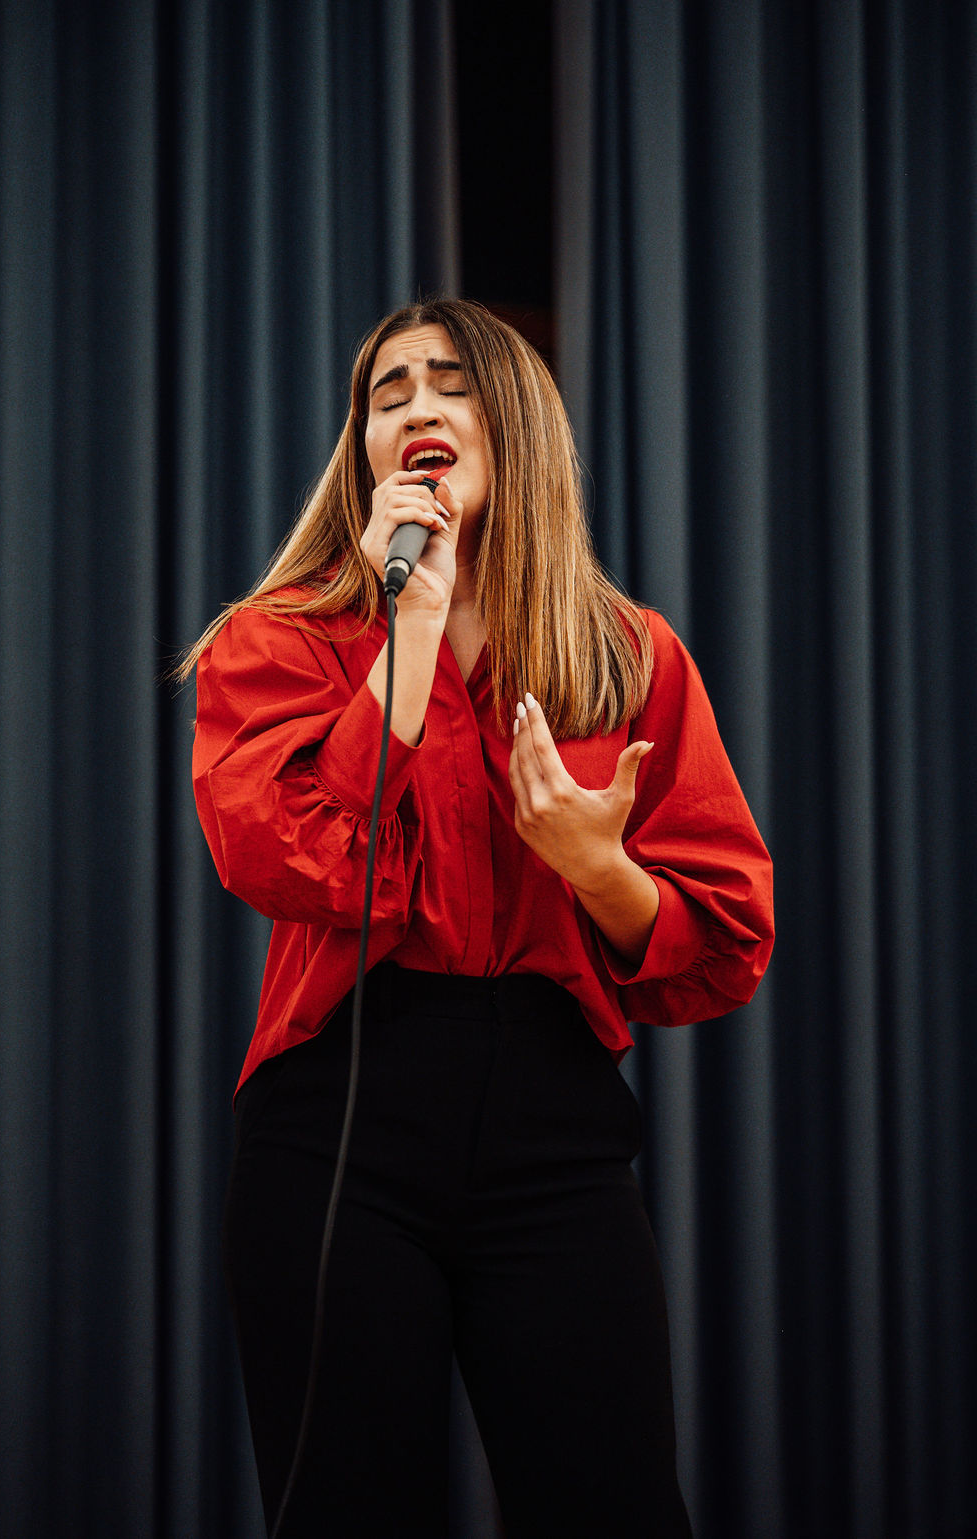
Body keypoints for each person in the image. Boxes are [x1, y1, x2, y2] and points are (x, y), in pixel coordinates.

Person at [181, 298, 774, 1537]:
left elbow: (725, 943)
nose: (417, 408)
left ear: (517, 423)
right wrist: (406, 629)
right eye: (386, 393)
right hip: (336, 1123)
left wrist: (598, 869)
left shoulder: (626, 652)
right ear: (362, 450)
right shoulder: (276, 641)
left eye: (450, 383)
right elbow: (284, 860)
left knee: (616, 1509)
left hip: (553, 1129)